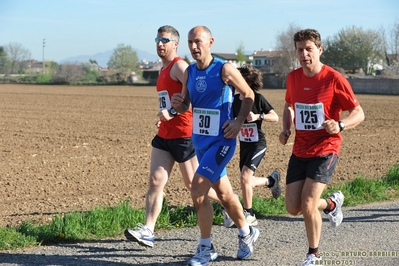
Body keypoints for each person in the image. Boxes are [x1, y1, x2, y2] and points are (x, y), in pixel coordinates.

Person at [124, 25, 220, 248]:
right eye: (157, 39)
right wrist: (164, 115)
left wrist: (174, 113)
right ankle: (148, 230)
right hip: (165, 134)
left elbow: (195, 98)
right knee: (155, 181)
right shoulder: (163, 69)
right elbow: (169, 99)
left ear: (175, 44)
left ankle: (228, 202)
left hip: (184, 136)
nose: (159, 43)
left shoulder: (180, 67)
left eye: (164, 40)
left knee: (193, 186)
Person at [172, 25, 259, 265]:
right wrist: (178, 103)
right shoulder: (189, 72)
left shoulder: (224, 69)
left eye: (198, 41)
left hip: (223, 140)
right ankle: (246, 232)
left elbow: (248, 94)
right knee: (225, 193)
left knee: (198, 188)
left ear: (210, 41)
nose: (193, 47)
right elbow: (185, 106)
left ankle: (205, 247)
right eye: (190, 42)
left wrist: (238, 121)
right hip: (201, 141)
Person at [278, 29, 365, 266]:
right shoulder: (293, 78)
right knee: (293, 207)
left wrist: (340, 124)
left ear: (320, 49)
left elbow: (359, 112)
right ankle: (331, 204)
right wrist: (286, 129)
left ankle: (313, 255)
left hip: (326, 147)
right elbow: (288, 105)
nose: (304, 54)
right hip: (300, 149)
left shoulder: (334, 79)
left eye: (308, 49)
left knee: (307, 204)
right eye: (299, 49)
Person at [227, 64, 281, 227]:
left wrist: (259, 116)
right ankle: (271, 181)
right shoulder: (234, 101)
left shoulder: (258, 99)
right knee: (246, 180)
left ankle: (249, 214)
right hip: (244, 145)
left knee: (245, 177)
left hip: (258, 144)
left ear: (247, 82)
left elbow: (275, 117)